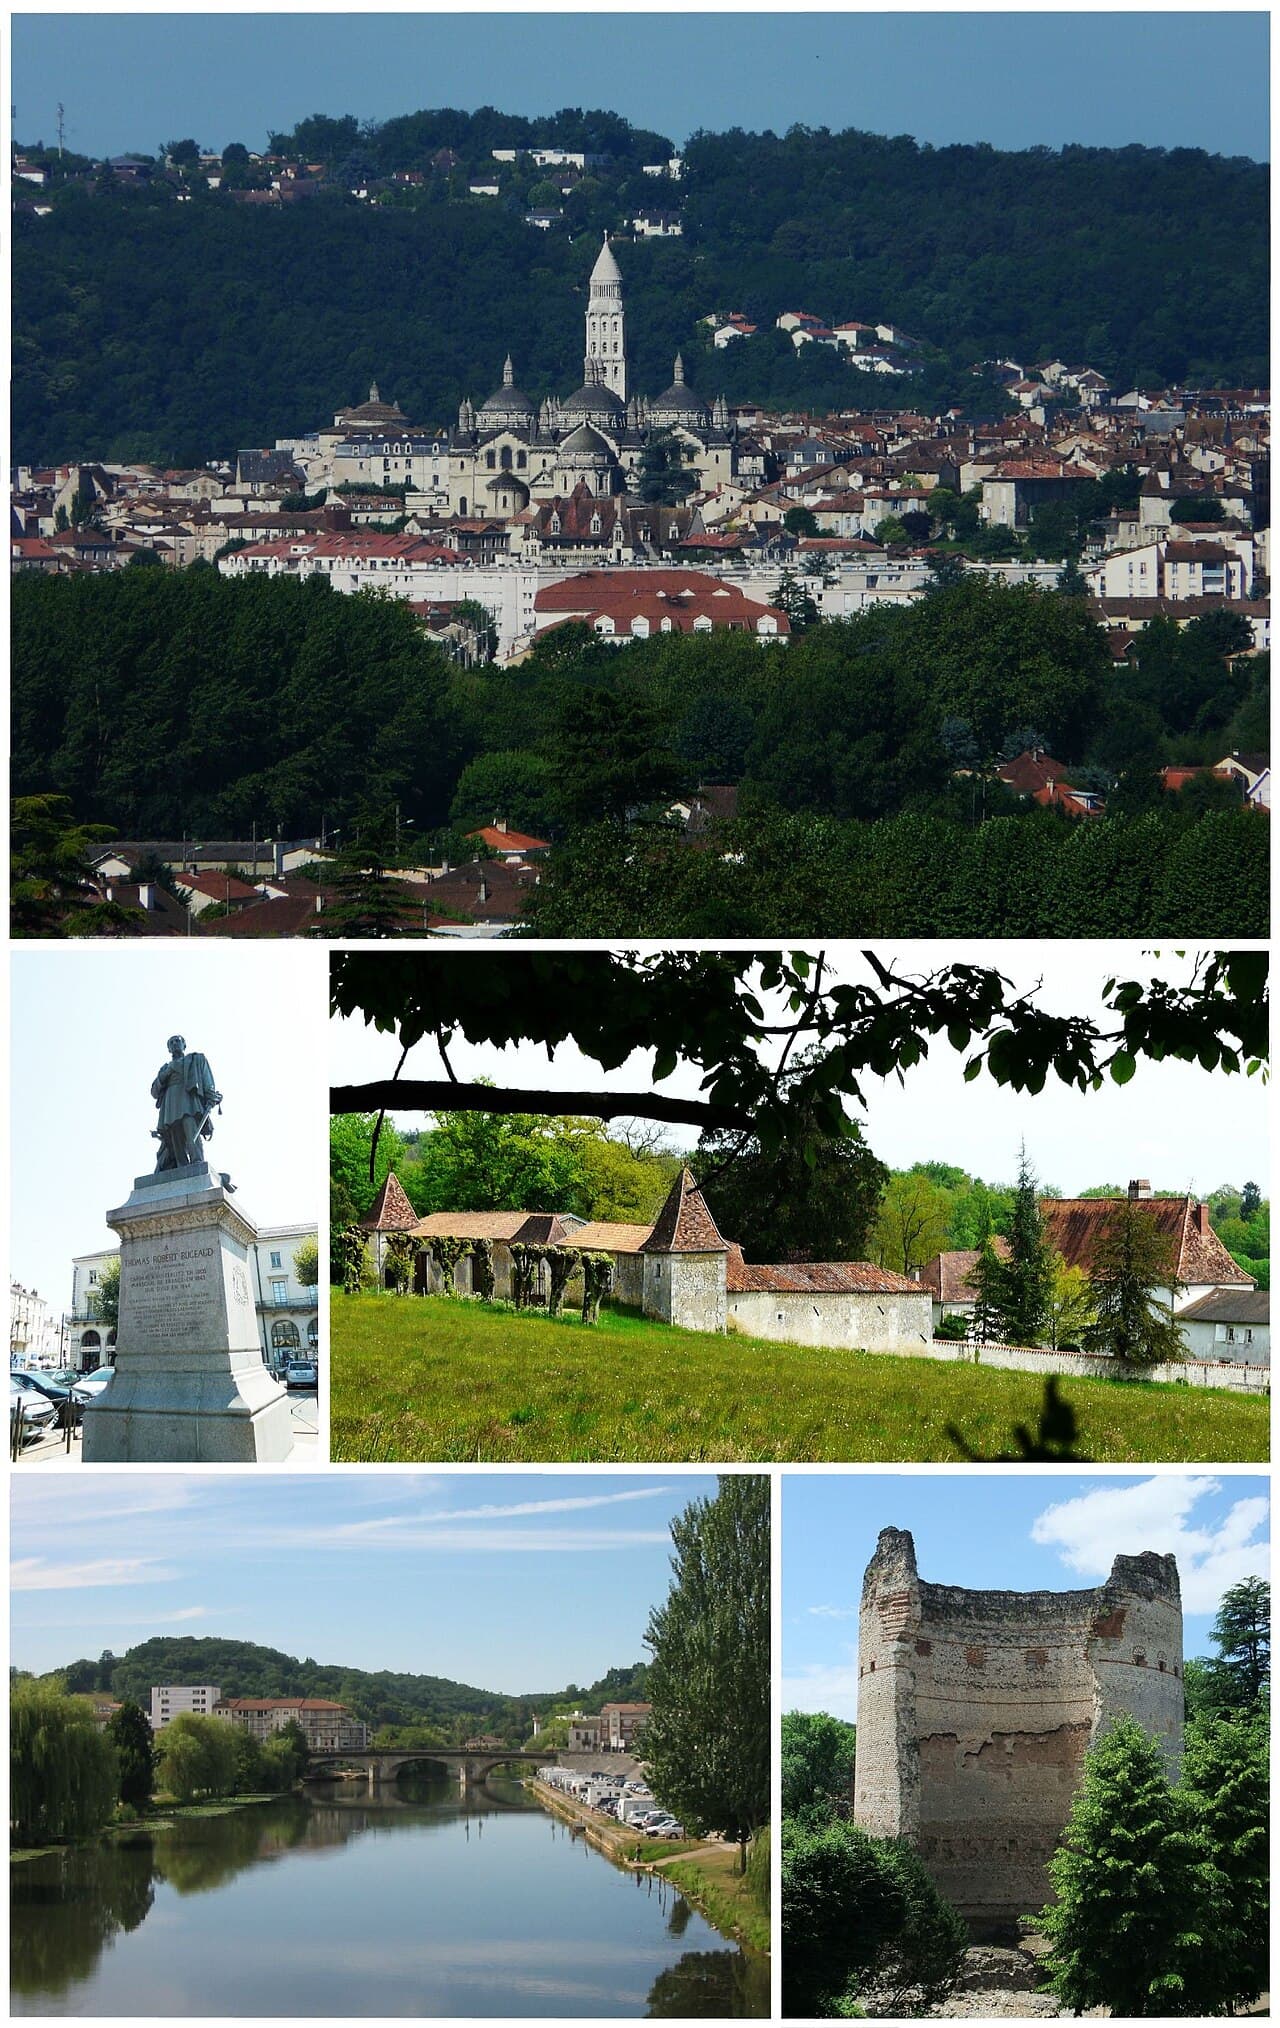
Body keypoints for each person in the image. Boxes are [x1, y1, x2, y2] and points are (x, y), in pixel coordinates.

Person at [151, 1034, 222, 1171]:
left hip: (188, 1100)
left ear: (184, 1045)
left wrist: (211, 1095)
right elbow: (154, 1092)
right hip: (170, 1104)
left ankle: (197, 1161)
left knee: (191, 1131)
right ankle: (181, 1167)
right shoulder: (165, 1068)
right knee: (175, 1137)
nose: (175, 1043)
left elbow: (207, 1080)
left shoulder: (195, 1059)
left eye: (178, 1041)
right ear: (169, 1049)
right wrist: (165, 1074)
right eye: (171, 1042)